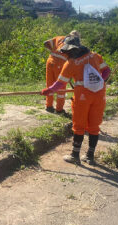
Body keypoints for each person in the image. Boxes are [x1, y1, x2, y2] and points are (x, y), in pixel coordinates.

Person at [41, 36, 111, 165]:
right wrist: (99, 82)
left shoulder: (71, 63)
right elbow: (107, 71)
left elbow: (60, 84)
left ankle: (75, 155)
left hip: (82, 97)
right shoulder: (95, 56)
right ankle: (90, 156)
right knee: (94, 126)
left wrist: (48, 90)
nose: (65, 53)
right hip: (99, 95)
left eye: (66, 51)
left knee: (79, 125)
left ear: (72, 50)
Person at [43, 30, 80, 114]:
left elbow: (46, 43)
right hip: (60, 64)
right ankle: (59, 109)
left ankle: (49, 106)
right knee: (61, 87)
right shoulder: (73, 44)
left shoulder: (59, 38)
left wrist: (54, 51)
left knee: (49, 84)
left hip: (50, 61)